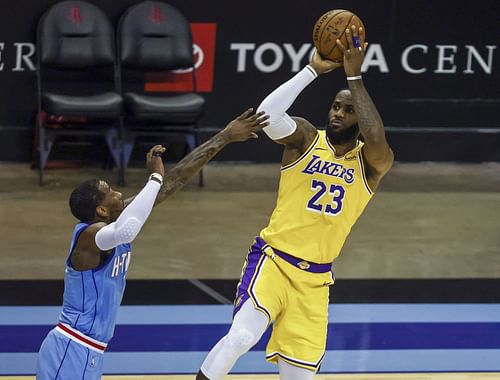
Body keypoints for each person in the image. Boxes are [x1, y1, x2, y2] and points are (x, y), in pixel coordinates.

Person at [197, 26, 394, 380]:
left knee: (299, 376)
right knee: (241, 336)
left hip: (316, 280)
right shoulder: (304, 138)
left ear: (360, 119)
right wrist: (313, 70)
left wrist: (355, 77)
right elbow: (267, 115)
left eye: (348, 110)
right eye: (335, 106)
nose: (337, 113)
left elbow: (377, 136)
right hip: (273, 260)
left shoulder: (371, 164)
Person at [36, 108, 269, 380]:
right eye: (110, 192)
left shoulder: (114, 222)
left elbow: (176, 179)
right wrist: (154, 178)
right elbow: (128, 230)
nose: (119, 192)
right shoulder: (89, 237)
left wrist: (225, 136)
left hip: (90, 350)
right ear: (100, 211)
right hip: (71, 346)